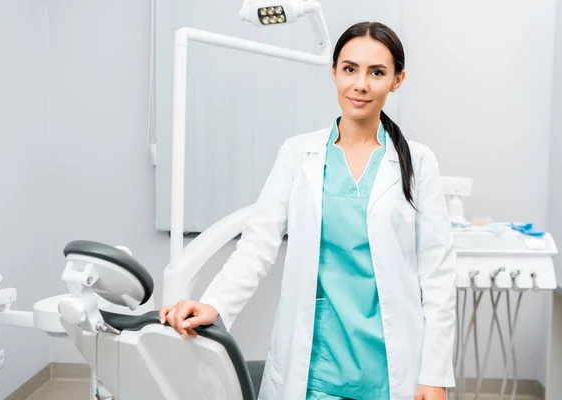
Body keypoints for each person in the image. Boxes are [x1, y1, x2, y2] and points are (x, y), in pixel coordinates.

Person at [159, 21, 456, 400]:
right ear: (334, 73)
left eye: (376, 72)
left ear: (397, 80)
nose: (360, 84)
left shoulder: (418, 162)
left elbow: (438, 275)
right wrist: (213, 304)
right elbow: (257, 245)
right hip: (315, 368)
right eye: (350, 69)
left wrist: (433, 374)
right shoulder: (299, 154)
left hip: (392, 367)